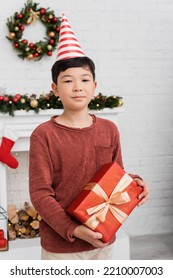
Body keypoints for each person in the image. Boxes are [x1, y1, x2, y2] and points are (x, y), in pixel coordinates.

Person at [29, 15, 149, 260]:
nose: (77, 87)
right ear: (54, 89)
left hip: (102, 240)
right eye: (68, 81)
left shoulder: (109, 129)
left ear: (95, 86)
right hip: (60, 247)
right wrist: (73, 229)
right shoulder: (44, 135)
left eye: (84, 80)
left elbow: (116, 177)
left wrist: (135, 183)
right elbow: (40, 194)